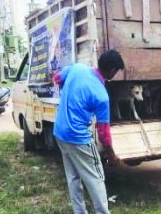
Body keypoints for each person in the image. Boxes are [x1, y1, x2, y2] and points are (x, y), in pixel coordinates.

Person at [53, 49, 125, 213]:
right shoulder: (101, 95)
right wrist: (111, 155)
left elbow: (57, 78)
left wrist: (71, 91)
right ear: (112, 70)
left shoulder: (77, 68)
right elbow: (104, 134)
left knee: (73, 177)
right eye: (116, 72)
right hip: (78, 138)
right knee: (96, 178)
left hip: (60, 132)